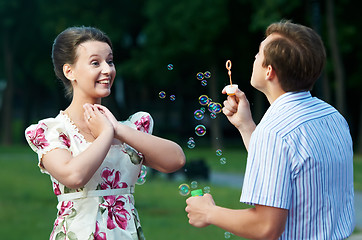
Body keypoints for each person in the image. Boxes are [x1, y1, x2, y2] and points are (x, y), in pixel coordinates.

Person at [185, 20, 355, 239]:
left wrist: (208, 212)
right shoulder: (332, 116)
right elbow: (290, 167)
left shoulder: (274, 131)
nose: (254, 57)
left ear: (269, 71)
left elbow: (266, 227)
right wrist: (246, 127)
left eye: (258, 53)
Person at [25, 26, 186, 240]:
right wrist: (106, 135)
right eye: (95, 63)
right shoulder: (51, 131)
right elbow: (74, 176)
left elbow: (176, 160)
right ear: (69, 71)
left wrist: (117, 129)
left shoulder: (129, 128)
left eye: (109, 61)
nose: (107, 70)